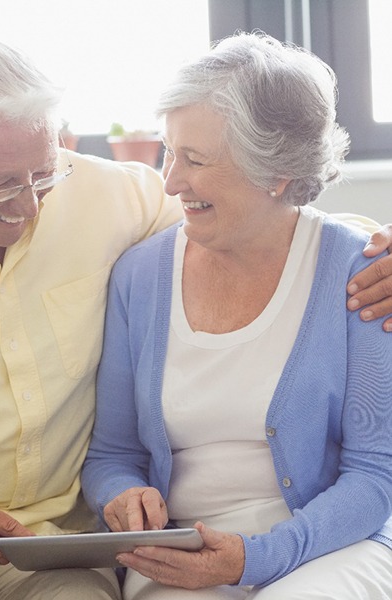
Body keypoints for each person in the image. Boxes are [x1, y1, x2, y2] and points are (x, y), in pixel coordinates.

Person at [0, 35, 389, 600]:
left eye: (41, 174)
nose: (28, 208)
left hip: (49, 540)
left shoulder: (106, 197)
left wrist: (376, 252)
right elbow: (116, 453)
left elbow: (268, 220)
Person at [81, 32, 392, 599]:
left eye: (194, 160)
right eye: (169, 152)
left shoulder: (362, 273)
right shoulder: (139, 276)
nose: (171, 181)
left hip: (332, 546)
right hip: (182, 557)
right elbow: (112, 455)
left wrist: (256, 558)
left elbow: (376, 475)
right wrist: (121, 496)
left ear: (276, 172)